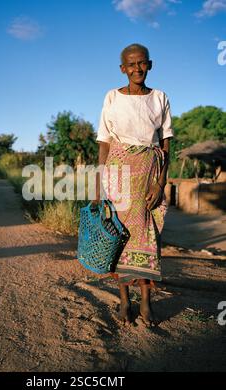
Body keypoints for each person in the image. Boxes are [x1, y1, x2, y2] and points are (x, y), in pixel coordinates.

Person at [93, 43, 174, 328]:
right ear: (122, 68)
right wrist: (98, 185)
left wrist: (161, 181)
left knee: (148, 236)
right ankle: (125, 301)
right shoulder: (112, 97)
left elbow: (165, 143)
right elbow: (104, 142)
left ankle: (147, 304)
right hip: (118, 175)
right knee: (121, 237)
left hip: (149, 175)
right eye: (131, 64)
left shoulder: (160, 97)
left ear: (149, 65)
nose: (137, 69)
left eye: (142, 63)